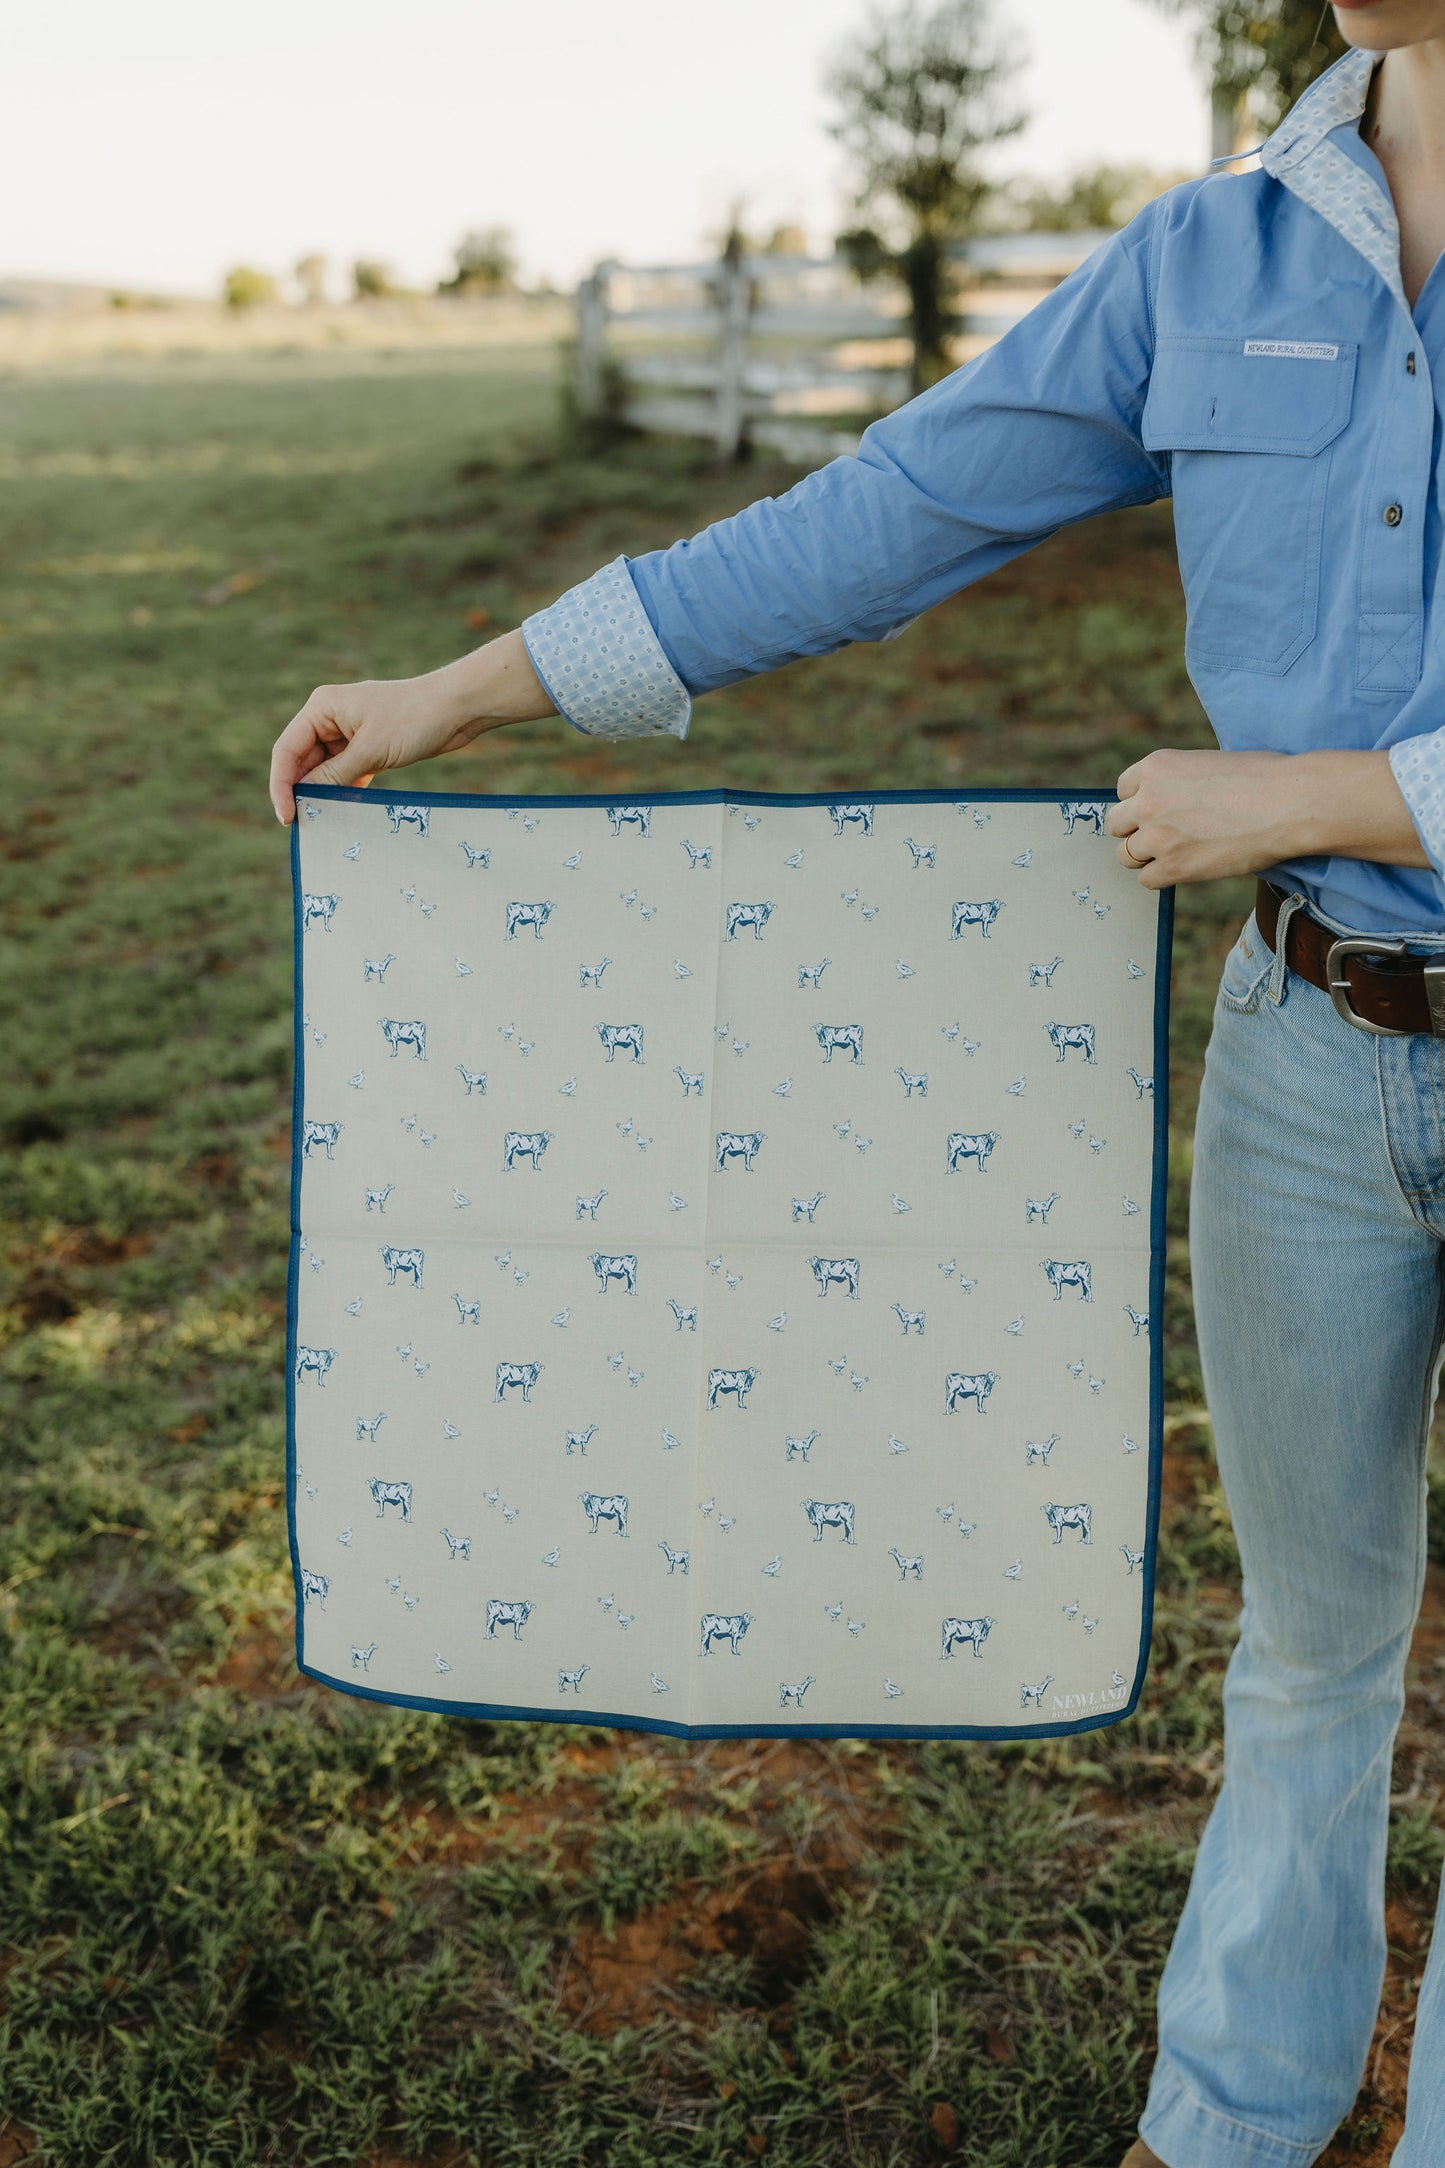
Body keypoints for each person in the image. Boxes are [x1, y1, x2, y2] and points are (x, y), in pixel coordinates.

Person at [270, 10, 1445, 2163]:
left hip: (1319, 889)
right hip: (1305, 1061)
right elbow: (886, 511)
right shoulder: (1210, 258)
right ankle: (1227, 2126)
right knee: (1306, 1647)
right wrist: (467, 690)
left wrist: (1320, 792)